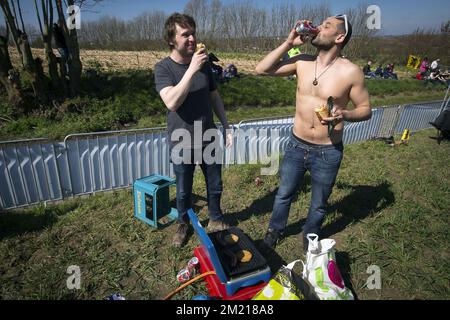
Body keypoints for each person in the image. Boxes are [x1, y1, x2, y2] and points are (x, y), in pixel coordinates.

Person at [255, 14, 371, 253]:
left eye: (326, 26)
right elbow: (261, 69)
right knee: (284, 194)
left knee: (319, 204)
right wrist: (289, 43)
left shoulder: (351, 72)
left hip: (328, 150)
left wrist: (344, 115)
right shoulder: (302, 61)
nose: (318, 27)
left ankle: (310, 237)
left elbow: (366, 110)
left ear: (340, 37)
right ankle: (275, 230)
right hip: (296, 145)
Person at [154, 13, 233, 247]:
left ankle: (216, 219)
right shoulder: (163, 68)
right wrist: (192, 69)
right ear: (171, 40)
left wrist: (226, 125)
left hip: (208, 136)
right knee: (182, 190)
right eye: (185, 34)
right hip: (182, 140)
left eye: (193, 33)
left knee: (215, 184)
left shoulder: (204, 64)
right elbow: (172, 102)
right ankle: (183, 225)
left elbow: (214, 96)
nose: (192, 38)